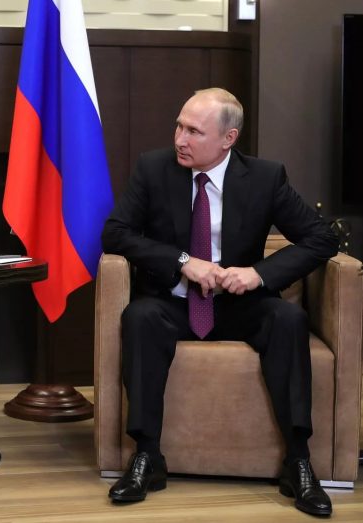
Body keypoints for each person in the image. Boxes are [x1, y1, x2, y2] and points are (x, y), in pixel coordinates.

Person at [100, 88, 338, 516]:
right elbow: (115, 233)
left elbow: (321, 238)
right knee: (140, 317)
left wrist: (259, 274)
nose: (180, 139)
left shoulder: (265, 177)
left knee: (288, 319)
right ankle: (147, 456)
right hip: (173, 302)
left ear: (229, 138)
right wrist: (182, 261)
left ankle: (298, 461)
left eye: (194, 131)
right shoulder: (154, 168)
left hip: (238, 305)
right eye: (179, 126)